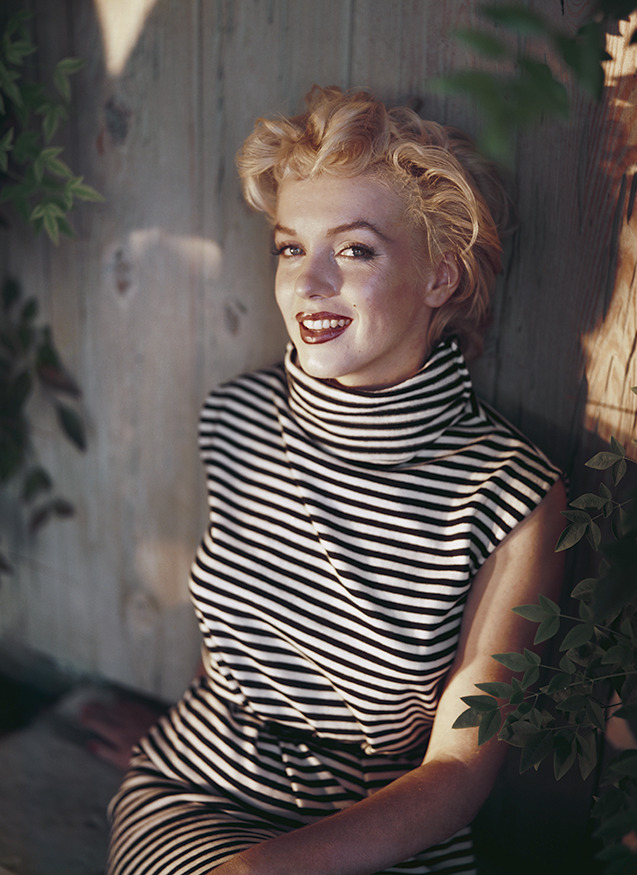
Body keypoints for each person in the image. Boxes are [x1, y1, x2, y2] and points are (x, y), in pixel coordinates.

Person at [106, 85, 565, 875]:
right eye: (290, 247)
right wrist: (173, 746)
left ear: (439, 279)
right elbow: (240, 636)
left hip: (381, 826)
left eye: (354, 249)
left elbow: (457, 771)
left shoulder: (511, 494)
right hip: (198, 792)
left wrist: (261, 868)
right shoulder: (237, 416)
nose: (308, 284)